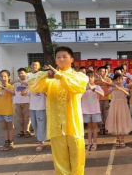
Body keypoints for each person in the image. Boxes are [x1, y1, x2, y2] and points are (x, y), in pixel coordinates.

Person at [27, 46, 88, 174]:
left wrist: (59, 75)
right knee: (60, 162)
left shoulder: (79, 76)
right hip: (56, 126)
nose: (61, 59)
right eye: (58, 57)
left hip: (74, 125)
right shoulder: (50, 80)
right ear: (55, 61)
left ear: (72, 59)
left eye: (64, 57)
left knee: (77, 158)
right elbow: (32, 85)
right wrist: (45, 74)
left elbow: (76, 86)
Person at [22, 61, 46, 152]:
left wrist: (43, 89)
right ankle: (39, 138)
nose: (33, 66)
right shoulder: (31, 87)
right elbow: (23, 93)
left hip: (41, 108)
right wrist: (29, 86)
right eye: (32, 65)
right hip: (32, 108)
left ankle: (41, 142)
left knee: (41, 125)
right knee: (35, 125)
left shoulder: (43, 86)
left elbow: (48, 95)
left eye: (35, 65)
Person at [106, 73, 132, 147]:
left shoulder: (124, 88)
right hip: (114, 106)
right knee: (116, 121)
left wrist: (121, 89)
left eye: (120, 80)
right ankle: (117, 139)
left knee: (122, 121)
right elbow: (106, 93)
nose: (118, 81)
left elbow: (128, 94)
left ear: (122, 80)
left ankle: (122, 139)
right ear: (114, 80)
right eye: (116, 80)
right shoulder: (112, 88)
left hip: (122, 106)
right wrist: (114, 88)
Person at [82, 70, 104, 151]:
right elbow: (78, 95)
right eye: (88, 77)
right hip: (86, 110)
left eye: (91, 77)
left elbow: (102, 94)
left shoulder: (97, 87)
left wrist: (94, 90)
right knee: (89, 126)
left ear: (94, 78)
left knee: (95, 126)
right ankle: (89, 143)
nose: (90, 79)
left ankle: (95, 142)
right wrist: (86, 89)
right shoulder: (83, 87)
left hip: (95, 110)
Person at [12, 68, 31, 138]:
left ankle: (27, 130)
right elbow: (9, 84)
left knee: (27, 117)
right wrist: (17, 80)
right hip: (17, 102)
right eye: (19, 73)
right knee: (19, 117)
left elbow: (30, 84)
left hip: (26, 102)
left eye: (22, 73)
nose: (21, 74)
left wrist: (22, 82)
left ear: (26, 74)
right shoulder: (16, 83)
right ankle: (22, 130)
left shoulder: (28, 81)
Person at [95, 66, 112, 135]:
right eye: (101, 71)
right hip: (98, 99)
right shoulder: (96, 80)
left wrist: (104, 81)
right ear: (98, 72)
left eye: (103, 71)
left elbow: (112, 84)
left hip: (106, 99)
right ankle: (101, 128)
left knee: (106, 114)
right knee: (99, 113)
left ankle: (106, 128)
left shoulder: (108, 79)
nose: (102, 72)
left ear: (106, 72)